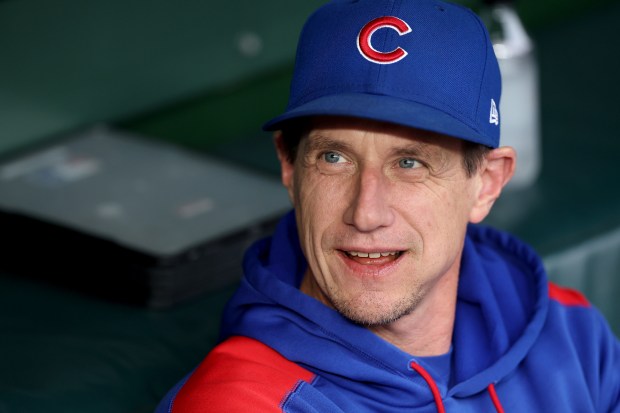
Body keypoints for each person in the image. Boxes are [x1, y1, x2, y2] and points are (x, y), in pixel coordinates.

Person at [156, 0, 620, 411]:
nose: (366, 213)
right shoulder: (239, 403)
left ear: (486, 184)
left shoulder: (568, 332)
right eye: (334, 158)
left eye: (411, 163)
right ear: (290, 166)